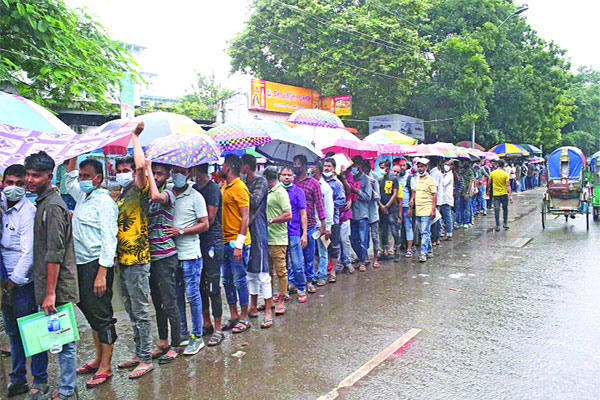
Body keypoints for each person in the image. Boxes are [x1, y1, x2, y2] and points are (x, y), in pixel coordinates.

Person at [25, 151, 79, 399]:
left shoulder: (54, 207)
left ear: (49, 176)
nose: (30, 180)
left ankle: (67, 390)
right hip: (47, 285)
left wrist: (49, 294)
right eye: (28, 174)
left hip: (57, 288)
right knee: (50, 337)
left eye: (36, 175)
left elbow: (55, 254)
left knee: (64, 340)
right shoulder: (43, 203)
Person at [65, 157, 118, 388]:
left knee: (102, 316)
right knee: (91, 314)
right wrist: (74, 153)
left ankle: (106, 366)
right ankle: (98, 359)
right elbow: (68, 182)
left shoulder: (104, 202)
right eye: (82, 176)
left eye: (87, 176)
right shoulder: (84, 197)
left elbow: (109, 238)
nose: (83, 180)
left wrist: (102, 273)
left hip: (97, 265)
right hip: (80, 264)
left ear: (98, 178)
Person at [0, 164, 49, 398]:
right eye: (9, 183)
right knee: (12, 333)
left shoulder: (28, 212)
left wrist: (12, 283)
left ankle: (40, 379)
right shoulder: (1, 207)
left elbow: (28, 253)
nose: (13, 188)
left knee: (33, 332)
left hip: (21, 283)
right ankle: (18, 378)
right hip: (3, 281)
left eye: (19, 184)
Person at [114, 123, 154, 379]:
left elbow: (141, 168)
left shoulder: (139, 190)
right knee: (130, 310)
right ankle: (139, 352)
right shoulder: (120, 194)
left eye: (125, 170)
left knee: (140, 310)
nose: (123, 173)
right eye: (119, 171)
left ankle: (147, 358)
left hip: (138, 259)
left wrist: (135, 137)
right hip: (122, 259)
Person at [167, 166, 209, 355]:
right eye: (174, 171)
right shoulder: (167, 194)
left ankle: (197, 336)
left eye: (181, 172)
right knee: (177, 297)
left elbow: (205, 224)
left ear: (189, 174)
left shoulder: (196, 196)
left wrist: (181, 231)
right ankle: (182, 334)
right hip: (171, 255)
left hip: (191, 255)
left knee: (193, 296)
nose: (177, 175)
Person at [144, 160, 181, 364]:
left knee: (169, 302)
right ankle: (164, 341)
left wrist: (148, 169)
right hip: (152, 256)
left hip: (166, 256)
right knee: (157, 303)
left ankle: (176, 344)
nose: (156, 177)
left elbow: (156, 196)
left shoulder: (168, 193)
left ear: (167, 175)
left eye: (159, 173)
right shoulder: (148, 197)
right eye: (154, 173)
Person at [193, 164, 225, 346]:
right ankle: (206, 323)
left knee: (213, 285)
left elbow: (210, 219)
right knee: (200, 284)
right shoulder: (194, 189)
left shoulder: (212, 189)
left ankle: (218, 327)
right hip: (198, 241)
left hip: (212, 241)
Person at [220, 155, 252, 333]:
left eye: (223, 164)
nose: (221, 167)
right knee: (227, 280)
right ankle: (233, 315)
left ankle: (244, 317)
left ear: (229, 167)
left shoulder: (240, 187)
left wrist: (239, 244)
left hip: (237, 242)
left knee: (240, 280)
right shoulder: (225, 186)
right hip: (225, 241)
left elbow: (245, 217)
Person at [241, 155, 273, 329]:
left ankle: (268, 309)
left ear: (246, 166)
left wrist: (240, 188)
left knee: (262, 271)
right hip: (246, 230)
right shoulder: (243, 183)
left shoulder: (261, 182)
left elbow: (253, 201)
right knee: (251, 272)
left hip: (259, 229)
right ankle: (253, 306)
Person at [292, 155, 326, 293]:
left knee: (309, 254)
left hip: (310, 224)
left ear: (305, 165)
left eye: (298, 164)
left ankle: (309, 280)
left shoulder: (313, 183)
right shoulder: (291, 182)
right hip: (294, 225)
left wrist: (323, 224)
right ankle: (294, 281)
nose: (295, 167)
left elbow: (319, 205)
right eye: (294, 164)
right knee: (294, 256)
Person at [264, 166, 292, 314]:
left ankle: (281, 299)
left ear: (267, 179)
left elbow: (288, 214)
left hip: (278, 238)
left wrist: (271, 220)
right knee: (268, 272)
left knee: (281, 271)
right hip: (267, 237)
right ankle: (269, 299)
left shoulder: (280, 192)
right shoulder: (267, 192)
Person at [280, 166, 308, 303]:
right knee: (282, 264)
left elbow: (303, 214)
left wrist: (304, 234)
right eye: (284, 174)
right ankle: (283, 291)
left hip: (294, 232)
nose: (286, 177)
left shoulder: (298, 192)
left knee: (297, 263)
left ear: (293, 177)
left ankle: (301, 289)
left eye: (289, 175)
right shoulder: (276, 192)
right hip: (279, 233)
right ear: (280, 176)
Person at [309, 163, 334, 286]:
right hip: (310, 223)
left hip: (321, 224)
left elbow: (329, 208)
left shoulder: (325, 188)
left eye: (312, 167)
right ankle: (312, 274)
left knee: (323, 251)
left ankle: (322, 275)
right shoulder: (309, 184)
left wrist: (328, 226)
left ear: (317, 170)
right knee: (311, 251)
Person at [322, 158, 345, 282]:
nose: (326, 168)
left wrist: (328, 204)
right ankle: (322, 269)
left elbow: (342, 200)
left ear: (334, 168)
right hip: (320, 220)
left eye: (329, 166)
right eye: (325, 166)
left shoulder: (337, 184)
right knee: (320, 246)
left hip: (333, 220)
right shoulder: (319, 182)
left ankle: (333, 271)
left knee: (334, 246)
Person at [412, 158, 437, 263]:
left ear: (426, 168)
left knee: (424, 232)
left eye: (422, 167)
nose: (420, 169)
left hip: (427, 209)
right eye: (418, 167)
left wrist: (433, 210)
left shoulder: (430, 179)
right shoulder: (417, 178)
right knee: (424, 231)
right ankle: (429, 250)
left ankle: (423, 254)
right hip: (418, 209)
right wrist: (412, 200)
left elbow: (434, 195)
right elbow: (414, 192)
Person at [349, 156, 372, 272]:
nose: (355, 167)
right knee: (353, 239)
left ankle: (362, 261)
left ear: (361, 166)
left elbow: (368, 197)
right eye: (353, 165)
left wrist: (357, 191)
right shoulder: (350, 178)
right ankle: (359, 256)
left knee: (363, 239)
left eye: (356, 165)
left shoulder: (366, 180)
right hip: (351, 213)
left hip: (362, 214)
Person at [378, 159, 400, 261]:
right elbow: (377, 194)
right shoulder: (380, 179)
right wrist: (381, 205)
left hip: (391, 209)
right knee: (384, 230)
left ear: (388, 167)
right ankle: (385, 250)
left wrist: (386, 206)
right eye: (380, 167)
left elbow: (395, 194)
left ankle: (397, 251)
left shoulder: (394, 179)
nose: (381, 170)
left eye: (383, 167)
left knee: (394, 231)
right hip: (382, 208)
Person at [363, 160, 381, 268]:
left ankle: (375, 258)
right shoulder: (360, 179)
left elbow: (378, 197)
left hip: (373, 213)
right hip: (363, 212)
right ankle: (365, 257)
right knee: (364, 237)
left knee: (375, 237)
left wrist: (372, 188)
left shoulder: (374, 180)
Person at [337, 165, 355, 273]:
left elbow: (349, 189)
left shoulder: (348, 174)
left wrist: (343, 177)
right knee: (336, 241)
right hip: (334, 213)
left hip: (345, 212)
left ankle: (347, 262)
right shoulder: (330, 177)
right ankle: (338, 263)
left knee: (345, 239)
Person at [488, 160, 513, 231]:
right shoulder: (505, 174)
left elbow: (489, 183)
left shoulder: (492, 173)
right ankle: (505, 223)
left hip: (496, 194)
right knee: (505, 208)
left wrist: (488, 191)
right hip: (504, 194)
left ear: (497, 164)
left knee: (497, 209)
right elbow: (508, 185)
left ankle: (497, 225)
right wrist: (510, 195)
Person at [396, 158, 414, 257]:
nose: (402, 167)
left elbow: (413, 194)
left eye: (403, 165)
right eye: (400, 165)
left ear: (407, 166)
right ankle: (397, 248)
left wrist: (410, 208)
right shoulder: (395, 177)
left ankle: (409, 248)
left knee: (408, 227)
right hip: (397, 206)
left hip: (406, 206)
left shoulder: (409, 178)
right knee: (397, 228)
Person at [428, 159, 444, 246]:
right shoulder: (435, 173)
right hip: (437, 199)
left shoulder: (435, 174)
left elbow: (435, 188)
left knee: (435, 220)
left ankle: (435, 238)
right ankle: (436, 237)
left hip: (435, 200)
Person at [457, 160, 474, 228]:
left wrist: (467, 192)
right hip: (461, 192)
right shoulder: (461, 171)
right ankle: (461, 221)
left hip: (467, 192)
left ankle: (466, 222)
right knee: (461, 208)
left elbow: (471, 182)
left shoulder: (470, 171)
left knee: (467, 208)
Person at [440, 160, 455, 241]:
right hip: (443, 198)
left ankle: (449, 233)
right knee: (445, 216)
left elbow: (443, 183)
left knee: (447, 216)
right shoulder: (445, 174)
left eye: (448, 165)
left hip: (446, 199)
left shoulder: (449, 175)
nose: (446, 166)